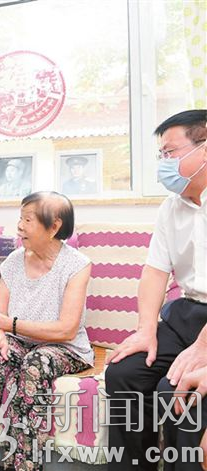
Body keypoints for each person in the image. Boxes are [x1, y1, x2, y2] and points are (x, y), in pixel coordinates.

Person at [105, 109, 207, 471]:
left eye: (170, 152)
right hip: (186, 314)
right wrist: (146, 330)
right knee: (124, 373)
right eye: (161, 154)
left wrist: (202, 348)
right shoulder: (171, 208)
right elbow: (154, 271)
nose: (163, 163)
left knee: (178, 389)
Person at [0, 191, 93, 471]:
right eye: (20, 218)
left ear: (54, 226)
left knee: (34, 365)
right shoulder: (13, 261)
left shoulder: (77, 265)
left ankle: (23, 466)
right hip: (19, 340)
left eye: (28, 220)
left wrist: (7, 326)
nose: (19, 226)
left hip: (63, 347)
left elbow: (66, 329)